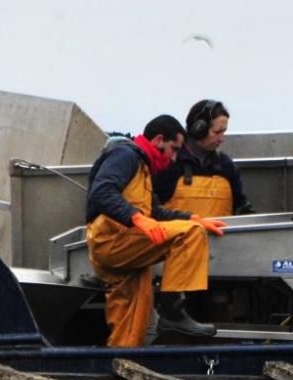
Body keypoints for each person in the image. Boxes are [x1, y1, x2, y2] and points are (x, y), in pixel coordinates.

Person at [86, 114, 227, 347]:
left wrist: (194, 217)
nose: (173, 158)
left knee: (131, 329)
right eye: (173, 149)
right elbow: (101, 192)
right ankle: (173, 311)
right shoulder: (125, 155)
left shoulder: (142, 168)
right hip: (112, 240)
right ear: (159, 140)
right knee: (189, 233)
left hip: (128, 248)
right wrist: (137, 219)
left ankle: (118, 365)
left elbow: (155, 212)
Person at [154, 99, 254, 217]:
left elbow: (241, 207)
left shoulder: (226, 166)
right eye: (217, 132)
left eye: (223, 132)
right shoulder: (169, 163)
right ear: (199, 129)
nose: (222, 139)